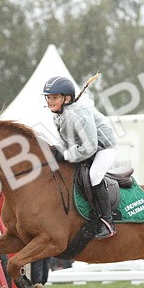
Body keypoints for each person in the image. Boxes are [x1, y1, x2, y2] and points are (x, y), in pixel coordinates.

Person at [44, 74, 119, 239]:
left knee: (94, 176)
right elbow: (65, 141)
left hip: (103, 149)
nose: (50, 101)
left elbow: (90, 146)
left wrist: (66, 154)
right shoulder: (59, 113)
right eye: (48, 97)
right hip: (84, 149)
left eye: (54, 97)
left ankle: (108, 222)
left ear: (67, 98)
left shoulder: (79, 114)